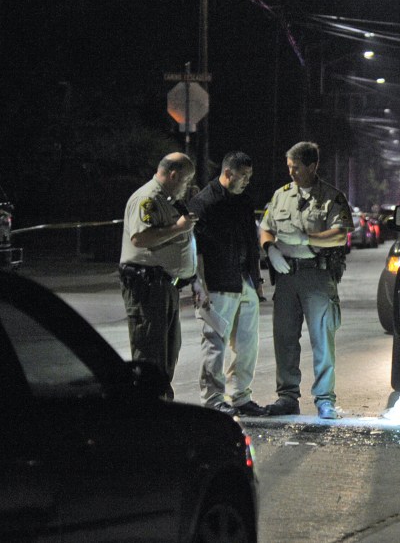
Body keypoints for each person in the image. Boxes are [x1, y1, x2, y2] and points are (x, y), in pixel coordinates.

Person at [259, 141, 353, 419]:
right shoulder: (281, 196)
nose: (291, 173)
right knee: (285, 338)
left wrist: (307, 239)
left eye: (296, 168)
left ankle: (325, 399)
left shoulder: (331, 198)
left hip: (318, 276)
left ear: (313, 167)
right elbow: (266, 228)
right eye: (289, 167)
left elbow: (340, 233)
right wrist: (270, 249)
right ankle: (287, 396)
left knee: (322, 340)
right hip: (287, 276)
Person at [187, 151, 267, 417]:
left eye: (249, 177)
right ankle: (212, 399)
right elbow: (193, 247)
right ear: (228, 173)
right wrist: (198, 283)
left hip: (243, 281)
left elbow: (251, 243)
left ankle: (241, 396)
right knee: (215, 344)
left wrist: (257, 281)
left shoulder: (244, 202)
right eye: (243, 176)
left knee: (247, 344)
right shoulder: (204, 202)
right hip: (218, 283)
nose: (246, 181)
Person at [118, 152, 199, 400]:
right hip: (148, 286)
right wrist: (178, 228)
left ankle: (160, 404)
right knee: (150, 354)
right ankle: (147, 410)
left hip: (166, 286)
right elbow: (140, 238)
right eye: (185, 181)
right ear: (173, 175)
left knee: (167, 353)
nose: (186, 187)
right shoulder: (148, 198)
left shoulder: (168, 199)